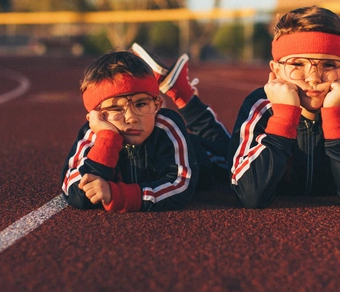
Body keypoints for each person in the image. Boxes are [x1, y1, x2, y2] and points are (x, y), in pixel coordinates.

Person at [228, 6, 340, 208]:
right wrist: (283, 117)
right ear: (276, 70)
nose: (313, 78)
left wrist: (336, 117)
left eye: (328, 65)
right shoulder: (260, 105)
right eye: (297, 64)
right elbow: (250, 195)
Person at [61, 48, 229, 212]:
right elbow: (73, 188)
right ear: (96, 116)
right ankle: (178, 89)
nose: (132, 117)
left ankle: (183, 94)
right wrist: (107, 139)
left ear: (157, 105)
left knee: (230, 153)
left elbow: (179, 185)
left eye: (141, 104)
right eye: (115, 108)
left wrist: (119, 195)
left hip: (205, 157)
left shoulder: (167, 126)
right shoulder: (92, 135)